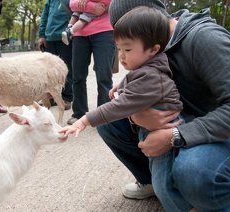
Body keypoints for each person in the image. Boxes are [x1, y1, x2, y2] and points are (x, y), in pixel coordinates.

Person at [93, 0, 230, 211]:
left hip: (219, 129)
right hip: (184, 117)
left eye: (128, 45)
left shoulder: (204, 39)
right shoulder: (155, 42)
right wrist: (134, 115)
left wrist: (175, 135)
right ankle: (155, 183)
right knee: (109, 118)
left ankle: (210, 198)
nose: (123, 54)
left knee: (195, 171)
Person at [60, 6, 184, 202]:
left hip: (163, 133)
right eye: (118, 49)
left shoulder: (151, 76)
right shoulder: (150, 65)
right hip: (150, 126)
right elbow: (138, 79)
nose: (121, 56)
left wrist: (84, 121)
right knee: (160, 180)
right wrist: (124, 84)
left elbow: (120, 105)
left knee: (164, 187)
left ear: (153, 49)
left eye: (127, 49)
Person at [66, 0, 115, 125]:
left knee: (104, 76)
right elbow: (72, 4)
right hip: (79, 34)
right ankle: (79, 113)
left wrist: (85, 4)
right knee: (78, 76)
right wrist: (93, 6)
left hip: (104, 31)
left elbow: (109, 3)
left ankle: (103, 115)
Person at [38, 0, 73, 110]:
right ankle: (51, 97)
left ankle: (67, 97)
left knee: (67, 69)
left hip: (65, 38)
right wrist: (42, 35)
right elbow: (44, 16)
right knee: (49, 71)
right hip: (50, 38)